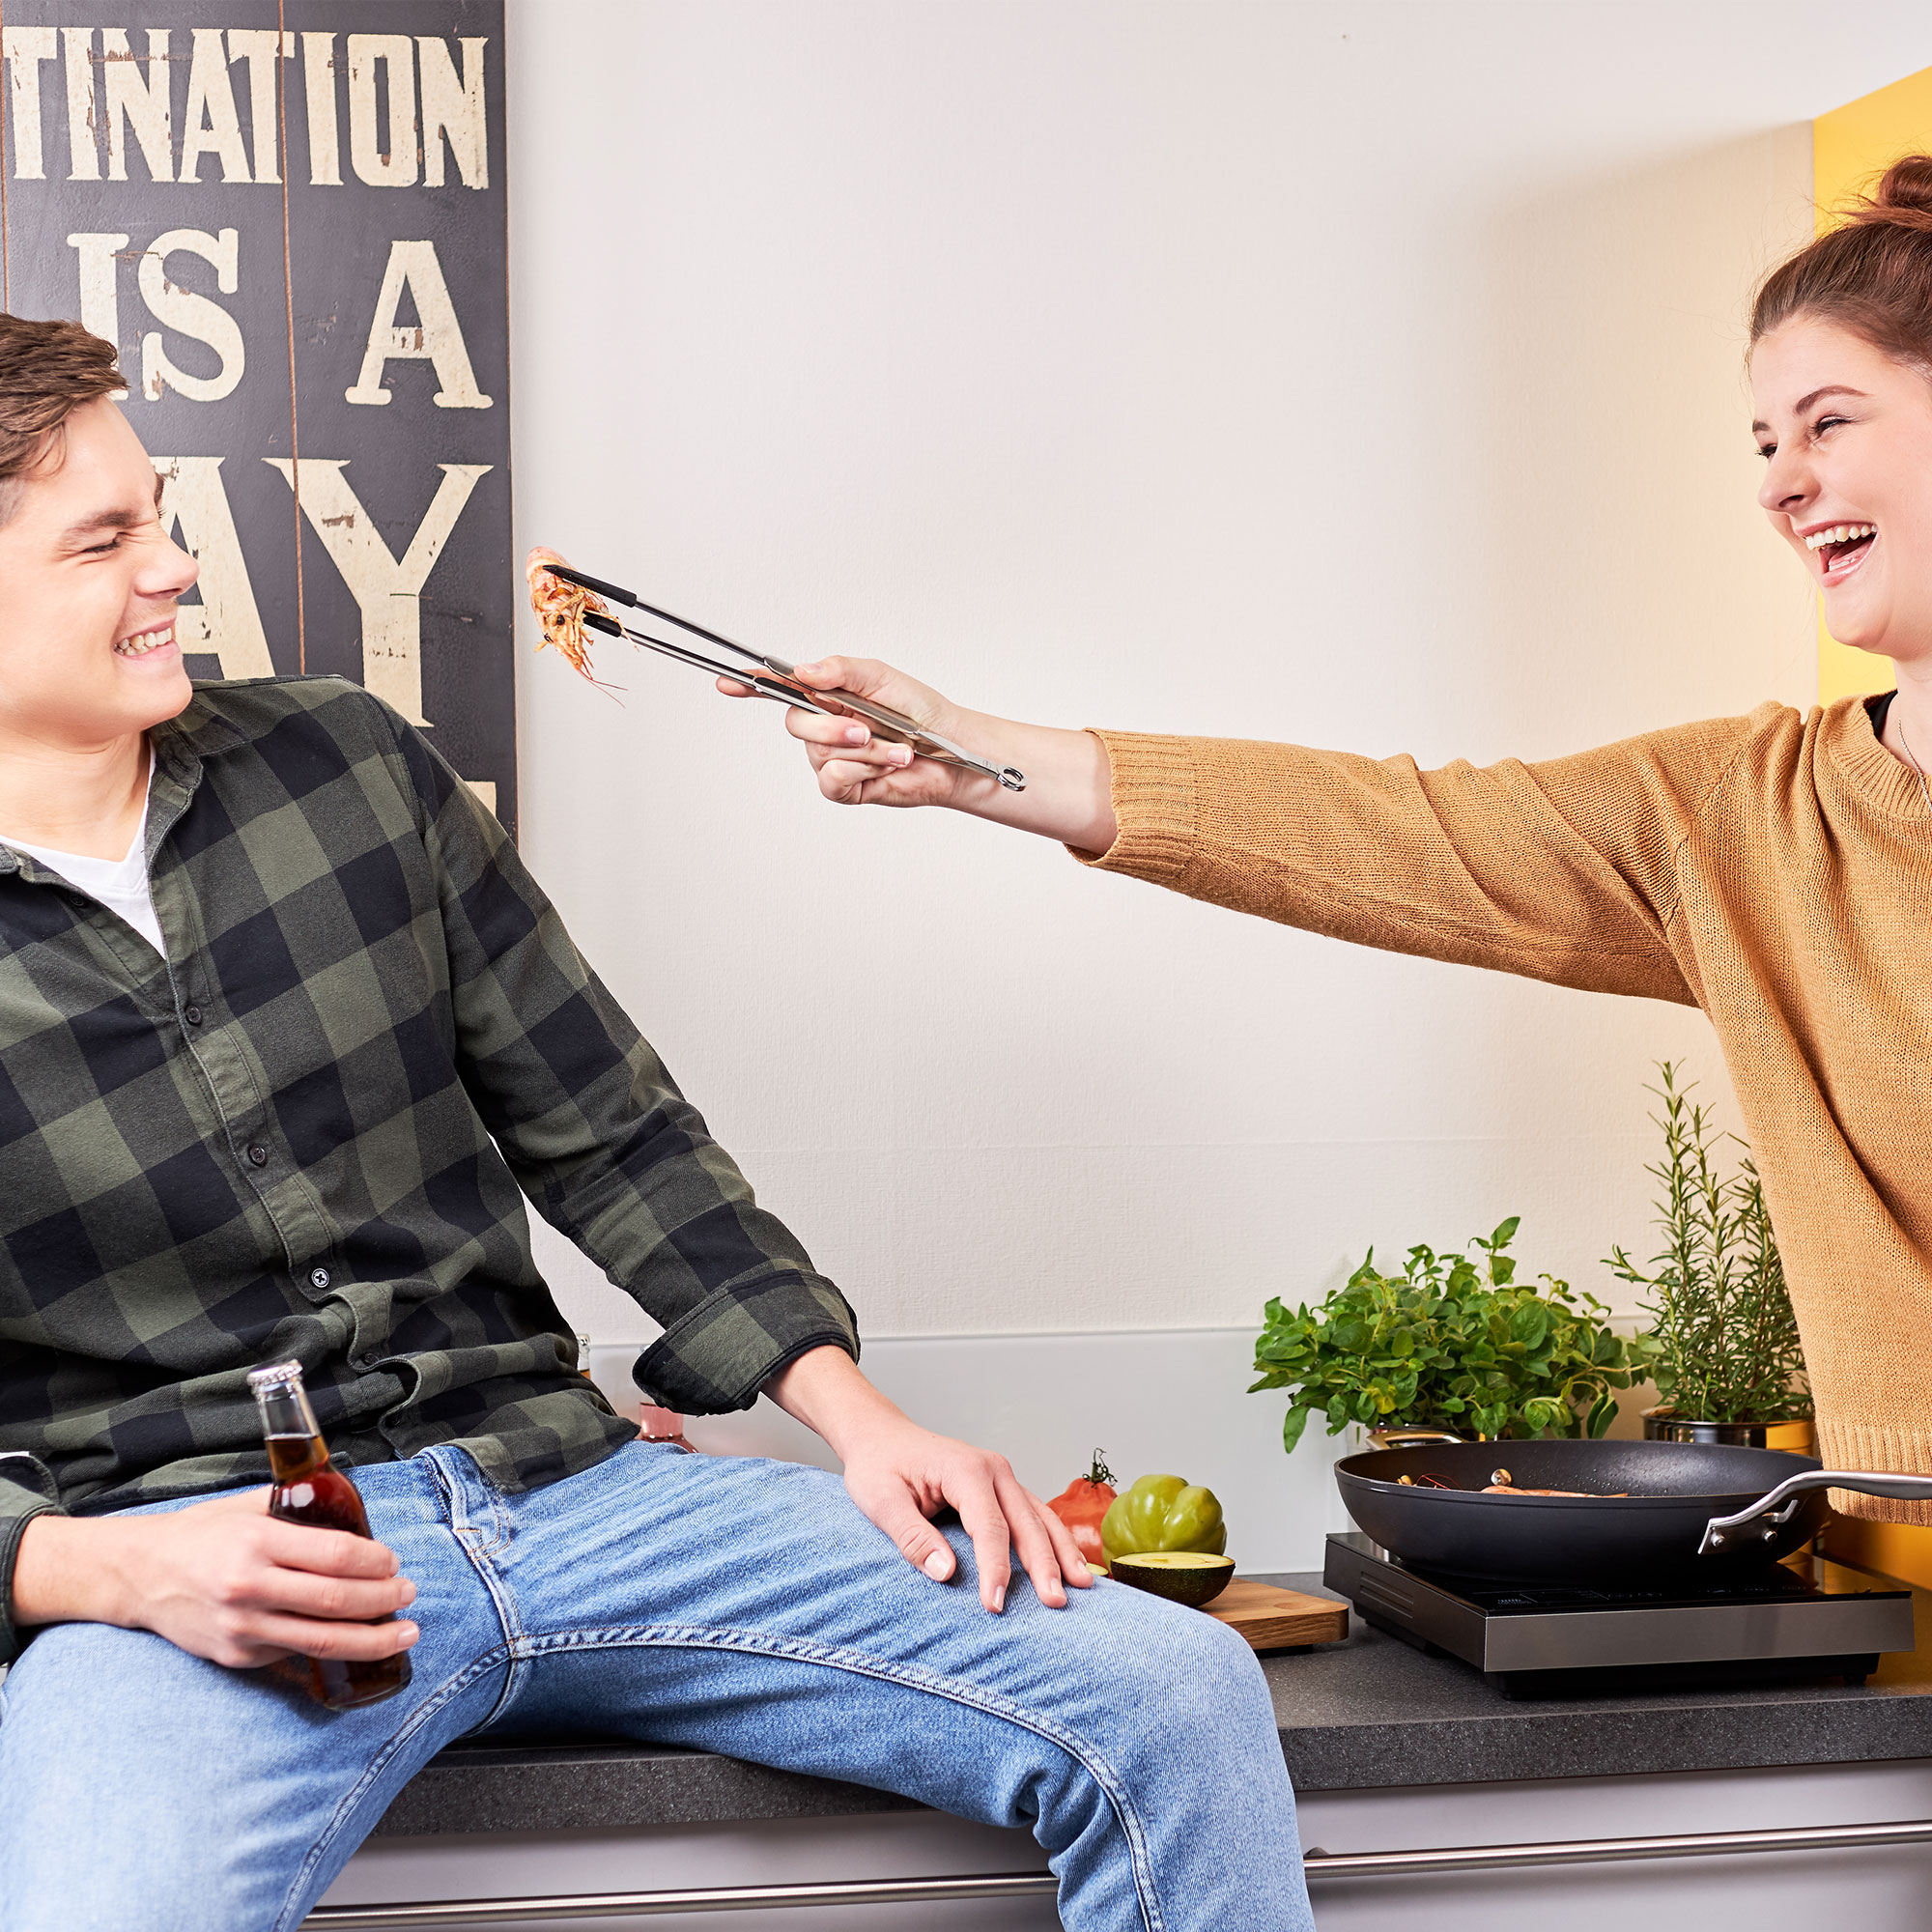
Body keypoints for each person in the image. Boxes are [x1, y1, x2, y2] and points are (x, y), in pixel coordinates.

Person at [0, 316, 1313, 1932]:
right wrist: (91, 1571)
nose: (178, 567)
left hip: (575, 1498)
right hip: (196, 1576)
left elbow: (608, 1127)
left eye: (163, 515)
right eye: (107, 538)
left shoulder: (342, 766)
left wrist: (856, 1418)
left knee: (1174, 1695)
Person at [740, 156, 1932, 1514]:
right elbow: (1393, 833)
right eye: (1766, 442)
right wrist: (965, 752)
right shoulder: (1747, 817)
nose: (1781, 484)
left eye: (1828, 423)